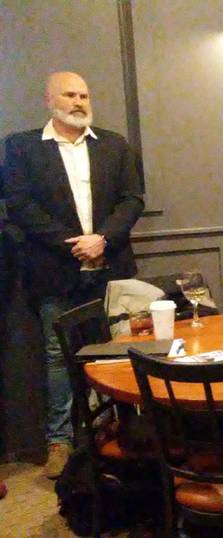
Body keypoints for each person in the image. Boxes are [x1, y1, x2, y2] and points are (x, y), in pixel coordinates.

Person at [3, 71, 143, 478]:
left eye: (84, 94)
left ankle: (124, 426)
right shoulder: (22, 147)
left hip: (111, 263)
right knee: (57, 356)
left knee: (120, 349)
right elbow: (20, 206)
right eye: (70, 94)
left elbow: (132, 199)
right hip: (54, 269)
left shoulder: (114, 145)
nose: (79, 101)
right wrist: (74, 242)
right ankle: (60, 441)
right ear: (49, 99)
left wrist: (102, 239)